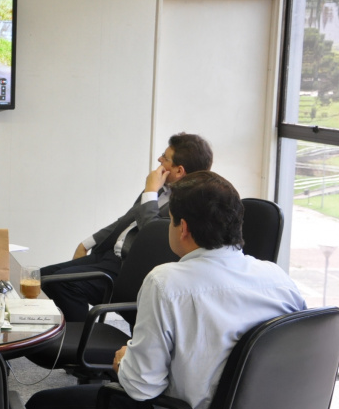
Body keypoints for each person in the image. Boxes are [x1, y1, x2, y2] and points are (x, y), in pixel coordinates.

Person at [25, 171, 307, 409]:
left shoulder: (167, 282)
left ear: (183, 228)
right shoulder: (279, 279)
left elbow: (141, 388)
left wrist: (123, 363)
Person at [41, 132, 213, 322]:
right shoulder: (159, 188)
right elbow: (126, 220)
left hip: (128, 269)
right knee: (42, 277)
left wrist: (150, 191)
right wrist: (86, 243)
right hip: (109, 256)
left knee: (63, 283)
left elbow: (152, 235)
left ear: (179, 171)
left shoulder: (188, 202)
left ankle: (79, 337)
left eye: (165, 157)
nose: (159, 159)